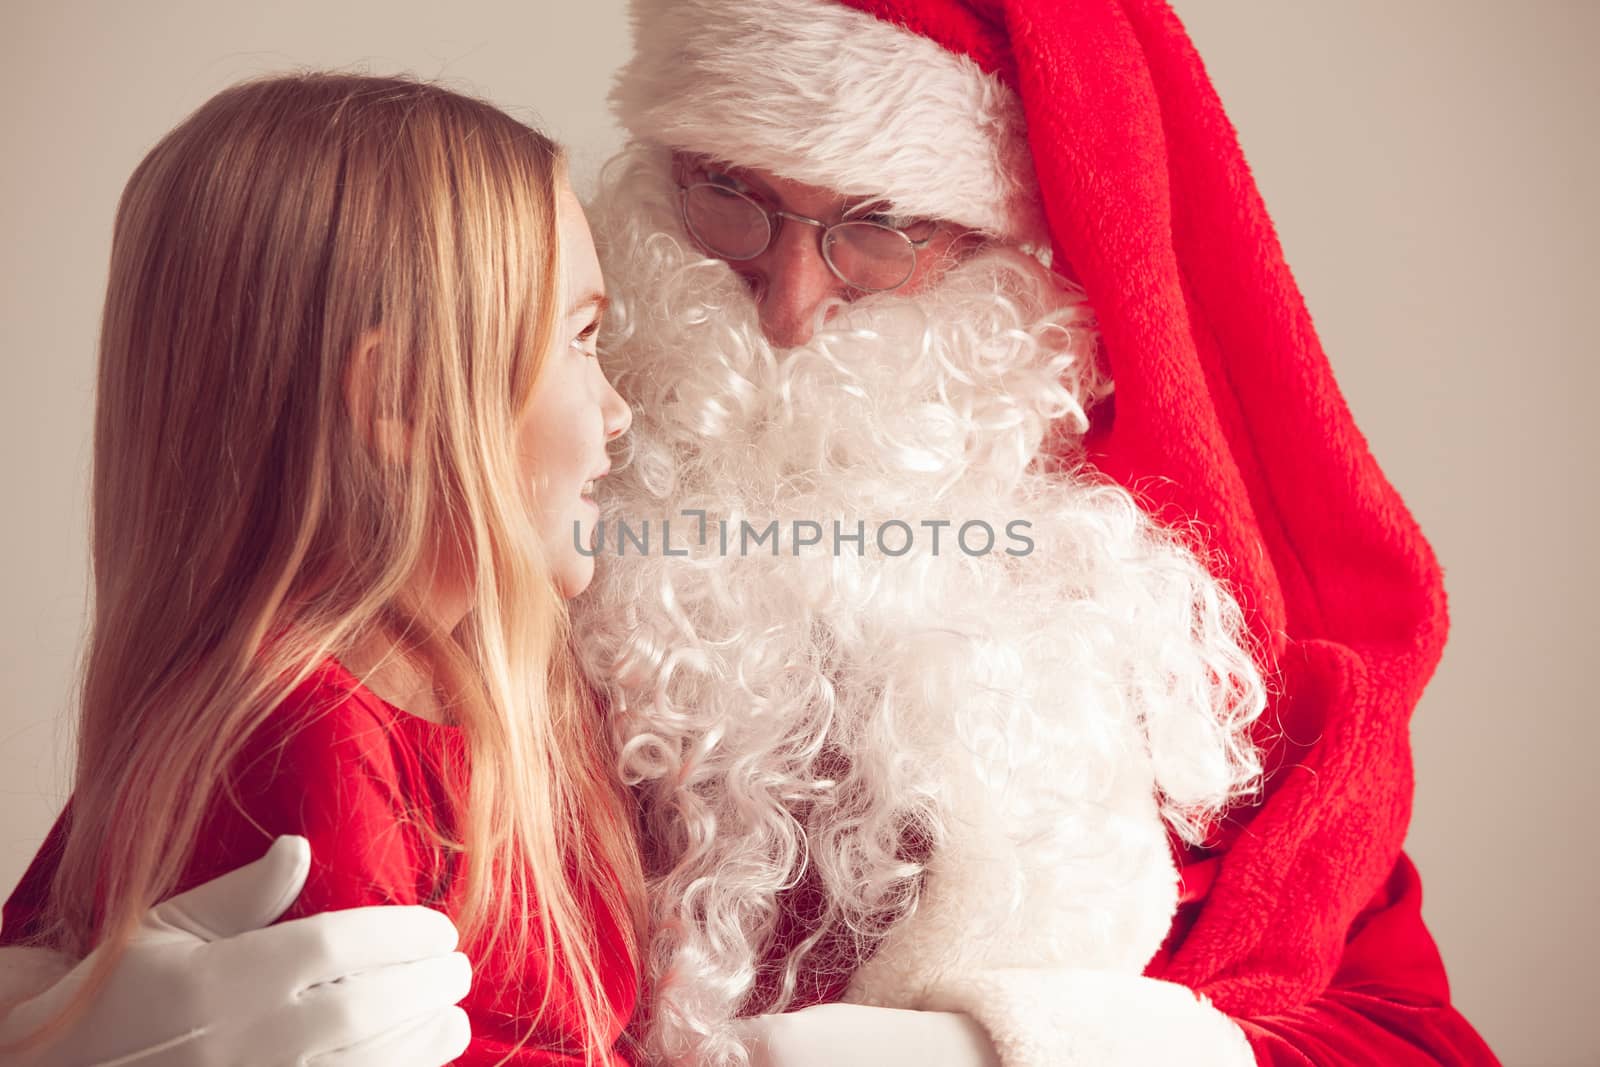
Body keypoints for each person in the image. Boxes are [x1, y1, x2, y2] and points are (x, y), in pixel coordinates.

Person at [1, 2, 1504, 1065]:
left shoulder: (1152, 642)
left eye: (878, 224)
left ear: (1029, 259)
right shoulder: (497, 555)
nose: (788, 307)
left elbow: (1412, 1037)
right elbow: (165, 827)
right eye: (730, 195)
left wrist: (1025, 1053)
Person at [0, 74, 643, 1066]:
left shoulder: (496, 703)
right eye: (581, 340)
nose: (617, 412)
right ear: (400, 396)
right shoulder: (306, 742)